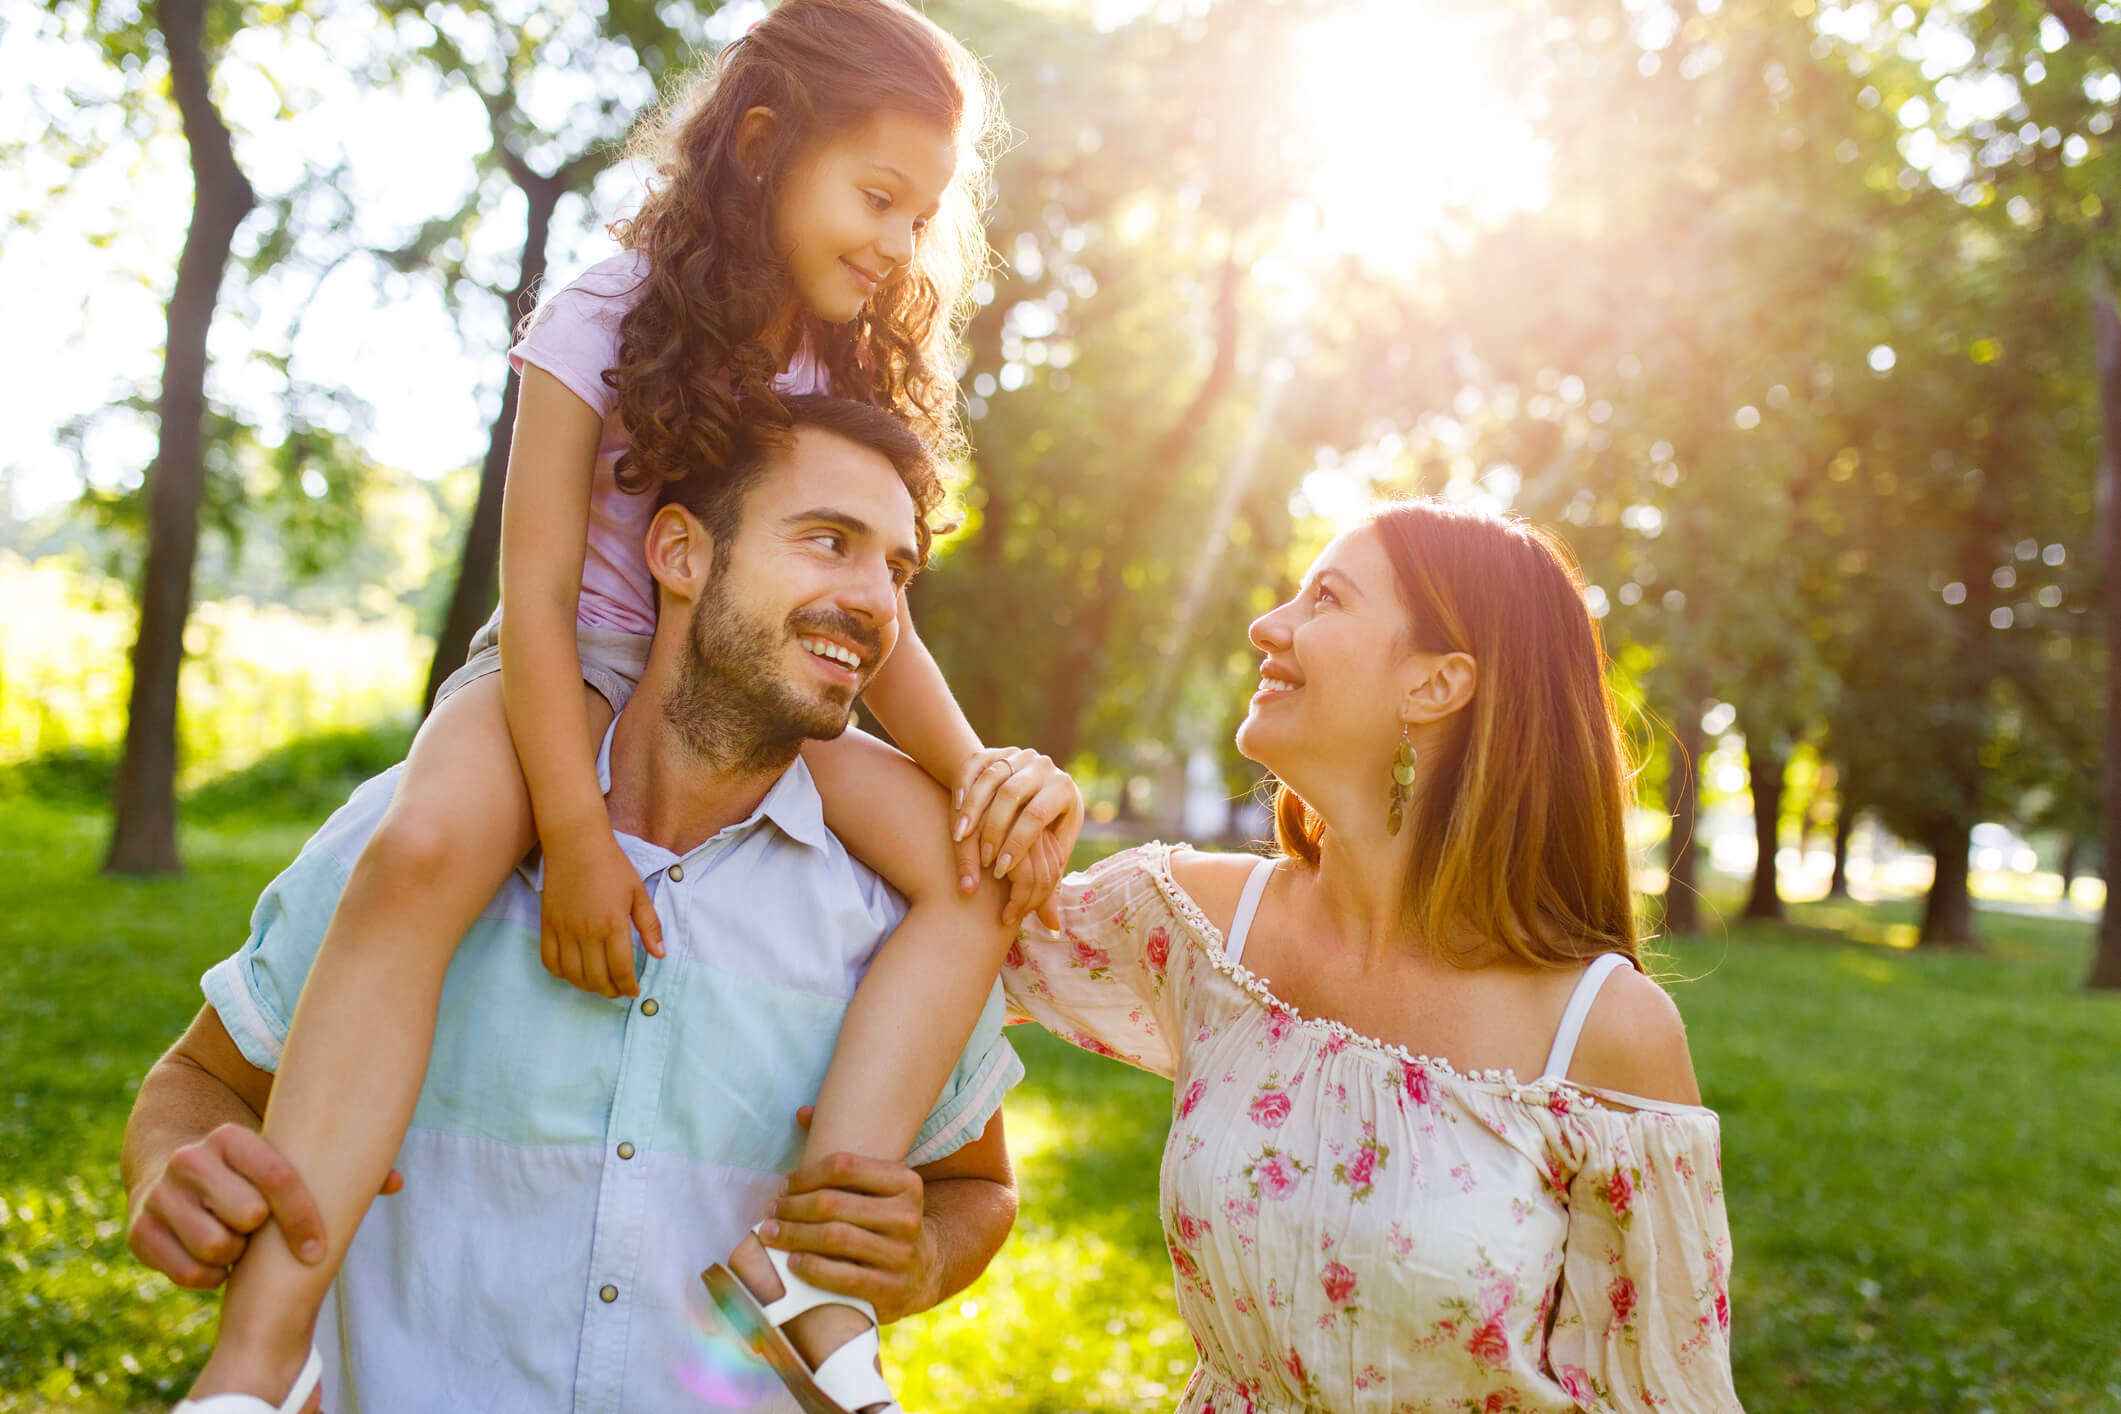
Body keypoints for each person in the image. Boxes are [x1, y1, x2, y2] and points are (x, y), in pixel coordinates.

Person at [174, 5, 1078, 1411]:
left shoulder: (847, 369)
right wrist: (573, 832)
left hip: (744, 684)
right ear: (766, 151)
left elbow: (867, 625)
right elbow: (532, 591)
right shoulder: (607, 308)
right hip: (560, 671)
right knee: (419, 852)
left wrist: (981, 777)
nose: (902, 244)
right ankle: (255, 1355)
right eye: (878, 197)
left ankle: (803, 1271)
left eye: (924, 215)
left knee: (976, 878)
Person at [128, 396, 1027, 1414]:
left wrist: (910, 1262)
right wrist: (171, 1164)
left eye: (899, 570)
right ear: (680, 554)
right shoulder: (422, 838)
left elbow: (976, 1187)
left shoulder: (899, 913)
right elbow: (201, 1077)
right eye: (830, 541)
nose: (877, 603)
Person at [1001, 498, 1743, 1411]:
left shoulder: (1603, 1032)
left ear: (1435, 684)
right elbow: (948, 927)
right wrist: (999, 786)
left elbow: (1660, 1392)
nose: (1265, 626)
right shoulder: (1197, 927)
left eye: (1325, 599)